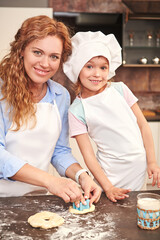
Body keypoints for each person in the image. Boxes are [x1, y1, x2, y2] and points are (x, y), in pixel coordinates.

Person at [0, 16, 102, 204]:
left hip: (36, 199)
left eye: (54, 56)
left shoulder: (60, 95)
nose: (45, 64)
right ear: (22, 50)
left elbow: (59, 151)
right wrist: (50, 181)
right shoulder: (2, 92)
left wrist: (82, 176)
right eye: (37, 52)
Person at [63, 31, 160, 202]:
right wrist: (108, 187)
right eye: (89, 66)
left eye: (103, 67)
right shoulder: (76, 110)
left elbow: (144, 126)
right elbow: (89, 156)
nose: (97, 74)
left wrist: (152, 161)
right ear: (78, 68)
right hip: (111, 177)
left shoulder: (120, 90)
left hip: (139, 171)